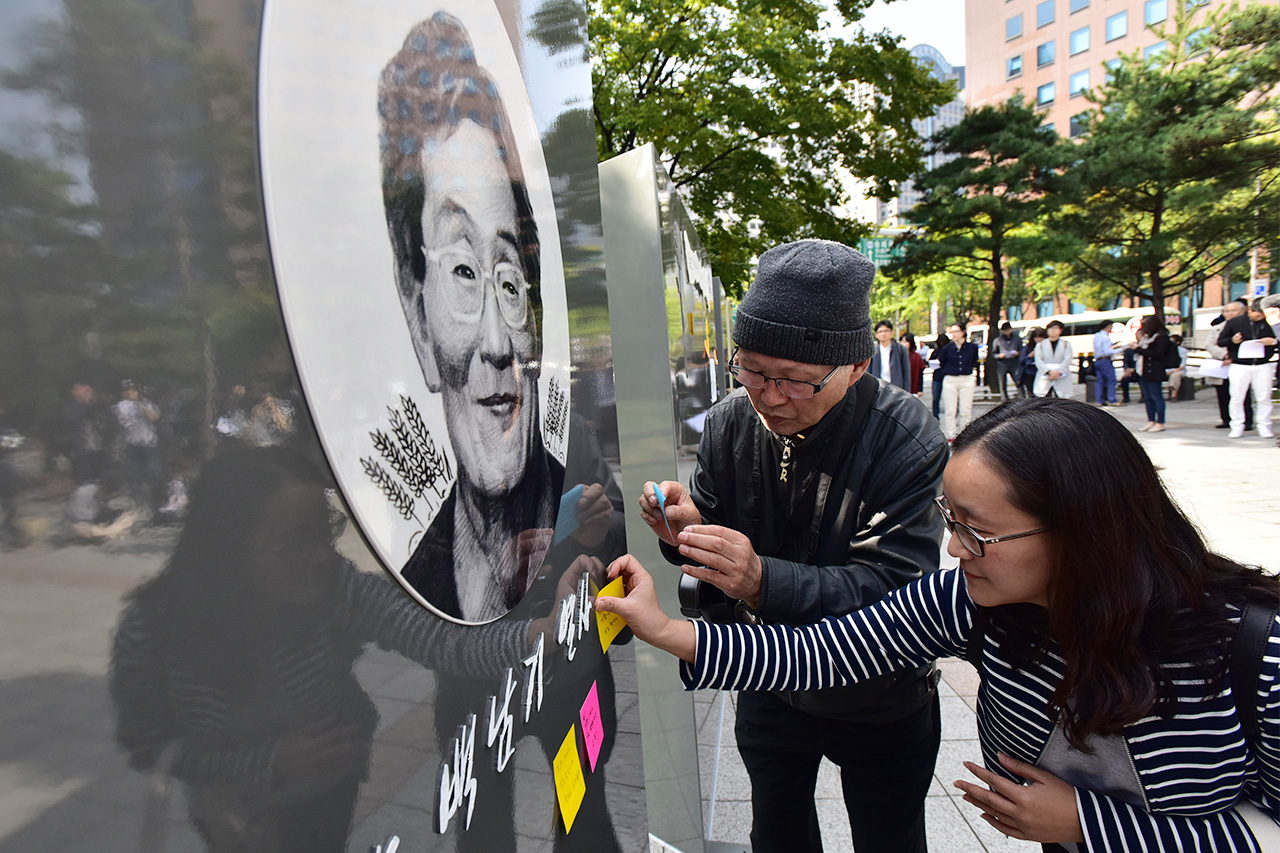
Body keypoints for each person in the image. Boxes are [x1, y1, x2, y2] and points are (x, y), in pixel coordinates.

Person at [602, 398, 1280, 853]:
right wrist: (666, 629)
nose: (954, 549)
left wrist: (1085, 822)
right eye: (950, 522)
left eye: (976, 532)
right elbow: (825, 650)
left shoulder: (1253, 647)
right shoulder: (976, 601)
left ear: (1083, 532)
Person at [638, 239, 948, 853]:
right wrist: (687, 531)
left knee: (891, 840)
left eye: (796, 381)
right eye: (750, 369)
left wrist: (760, 580)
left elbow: (896, 592)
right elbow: (719, 536)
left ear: (857, 367)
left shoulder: (905, 438)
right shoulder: (729, 423)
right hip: (770, 681)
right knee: (776, 836)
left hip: (879, 692)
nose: (769, 396)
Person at [378, 13, 559, 621]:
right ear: (417, 318)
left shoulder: (585, 507)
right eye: (460, 271)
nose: (496, 342)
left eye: (507, 280)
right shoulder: (414, 590)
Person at [1217, 297, 1277, 439]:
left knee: (1264, 397)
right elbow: (1220, 341)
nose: (1261, 317)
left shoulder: (1271, 322)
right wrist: (1233, 340)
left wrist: (1273, 342)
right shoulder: (1235, 322)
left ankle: (1264, 425)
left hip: (1263, 364)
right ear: (1250, 310)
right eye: (1259, 314)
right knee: (1237, 397)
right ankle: (1237, 425)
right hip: (1240, 364)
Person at [1207, 301, 1255, 430]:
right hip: (1222, 364)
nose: (1230, 314)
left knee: (1242, 393)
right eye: (1227, 311)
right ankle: (1226, 419)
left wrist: (1233, 358)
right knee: (1223, 393)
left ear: (1242, 311)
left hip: (1241, 363)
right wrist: (1225, 355)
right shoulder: (1217, 328)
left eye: (1233, 311)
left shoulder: (1248, 326)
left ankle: (1247, 420)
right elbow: (1211, 345)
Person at [937, 322, 980, 441]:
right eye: (952, 332)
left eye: (957, 331)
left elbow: (974, 361)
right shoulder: (946, 348)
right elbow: (942, 362)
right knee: (950, 409)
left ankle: (965, 434)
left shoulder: (972, 347)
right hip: (951, 379)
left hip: (966, 378)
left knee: (966, 408)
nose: (954, 334)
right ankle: (951, 435)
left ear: (963, 332)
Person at [1133, 315, 1173, 433]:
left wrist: (1138, 349)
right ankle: (1151, 420)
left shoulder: (1162, 338)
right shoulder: (1146, 339)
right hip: (1143, 371)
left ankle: (1160, 422)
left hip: (1154, 371)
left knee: (1157, 397)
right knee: (1148, 397)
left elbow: (1158, 354)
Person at [1034, 320, 1073, 399]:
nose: (1053, 331)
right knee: (1043, 396)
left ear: (1060, 330)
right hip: (1046, 374)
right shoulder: (1041, 344)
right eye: (1050, 328)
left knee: (1062, 397)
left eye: (1055, 328)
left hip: (1061, 374)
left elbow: (1068, 359)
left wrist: (1058, 372)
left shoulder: (1066, 344)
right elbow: (1038, 360)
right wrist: (1048, 372)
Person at [870, 320, 911, 392]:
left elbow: (906, 372)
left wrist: (906, 392)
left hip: (896, 389)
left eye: (886, 331)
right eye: (880, 331)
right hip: (878, 389)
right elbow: (868, 372)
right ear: (876, 335)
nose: (883, 334)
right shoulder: (873, 351)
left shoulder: (900, 349)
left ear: (892, 332)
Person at [989, 322, 1022, 401]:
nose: (1006, 332)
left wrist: (1018, 353)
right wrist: (999, 356)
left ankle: (1022, 397)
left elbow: (1022, 350)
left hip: (1014, 362)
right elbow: (993, 353)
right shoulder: (998, 340)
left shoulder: (1017, 338)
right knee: (1002, 383)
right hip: (1002, 363)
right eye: (1004, 330)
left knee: (1018, 381)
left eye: (1008, 330)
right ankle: (1004, 400)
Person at [1090, 321, 1118, 407]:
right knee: (1111, 380)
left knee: (1100, 381)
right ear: (1109, 326)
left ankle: (1099, 400)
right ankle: (1112, 399)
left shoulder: (1097, 336)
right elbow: (1107, 351)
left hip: (1098, 360)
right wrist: (1121, 349)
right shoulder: (1105, 338)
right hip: (1105, 360)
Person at [1016, 327, 1044, 399]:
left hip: (1043, 373)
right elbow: (1021, 360)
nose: (1039, 340)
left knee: (1044, 393)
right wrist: (1030, 355)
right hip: (1030, 373)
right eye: (1037, 337)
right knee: (1032, 393)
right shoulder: (1028, 348)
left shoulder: (1047, 347)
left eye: (1041, 337)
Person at [900, 332, 927, 397]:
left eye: (906, 342)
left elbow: (920, 374)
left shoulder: (916, 357)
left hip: (913, 389)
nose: (903, 344)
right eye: (902, 341)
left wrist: (920, 389)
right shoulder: (896, 356)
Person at [1165, 334, 1189, 400]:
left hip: (1179, 370)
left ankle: (1174, 395)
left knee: (1175, 376)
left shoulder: (1182, 350)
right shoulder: (1166, 349)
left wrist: (1174, 370)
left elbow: (1182, 364)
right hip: (1167, 369)